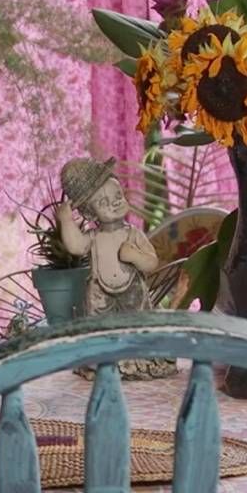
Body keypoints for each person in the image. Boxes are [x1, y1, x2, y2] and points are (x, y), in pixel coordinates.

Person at [56, 157, 174, 380]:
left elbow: (152, 262)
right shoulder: (94, 237)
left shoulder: (133, 234)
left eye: (118, 196)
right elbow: (75, 245)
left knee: (137, 324)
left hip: (133, 292)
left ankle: (138, 359)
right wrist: (67, 221)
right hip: (100, 293)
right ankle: (103, 360)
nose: (115, 203)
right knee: (100, 328)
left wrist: (136, 256)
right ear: (90, 214)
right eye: (103, 202)